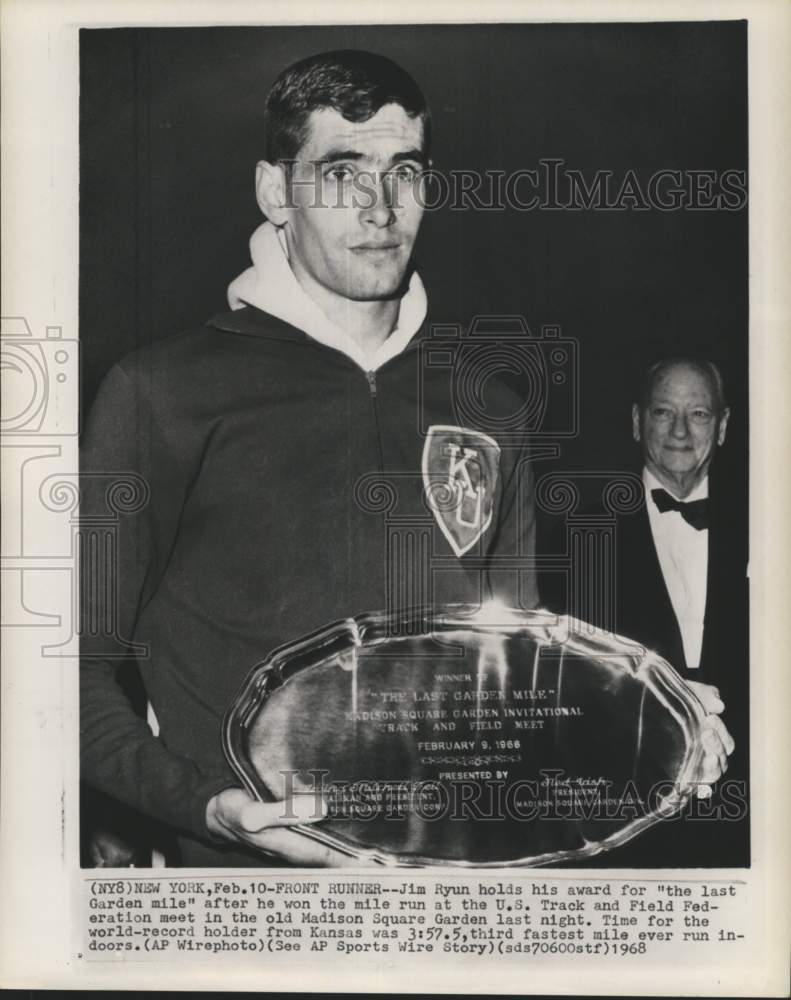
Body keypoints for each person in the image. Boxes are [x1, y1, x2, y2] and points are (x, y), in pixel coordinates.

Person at [80, 51, 731, 868]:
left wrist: (644, 715)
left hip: (455, 892)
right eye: (342, 173)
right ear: (276, 192)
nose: (380, 207)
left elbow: (507, 680)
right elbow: (66, 675)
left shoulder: (489, 404)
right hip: (250, 898)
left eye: (405, 172)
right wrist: (205, 807)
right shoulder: (160, 393)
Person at [541, 356, 747, 865]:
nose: (680, 431)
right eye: (662, 412)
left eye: (698, 414)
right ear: (637, 421)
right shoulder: (580, 538)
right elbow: (563, 687)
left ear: (722, 426)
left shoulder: (766, 524)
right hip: (627, 819)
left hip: (751, 817)